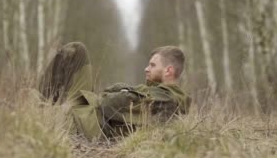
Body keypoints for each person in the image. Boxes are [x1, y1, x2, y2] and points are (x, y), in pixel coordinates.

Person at [38, 42, 191, 140]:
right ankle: (46, 102)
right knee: (76, 51)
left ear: (168, 70)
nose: (146, 69)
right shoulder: (160, 93)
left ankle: (42, 105)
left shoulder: (166, 98)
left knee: (30, 99)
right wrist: (121, 90)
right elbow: (114, 95)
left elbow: (109, 103)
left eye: (152, 65)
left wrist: (120, 91)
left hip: (90, 123)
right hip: (89, 110)